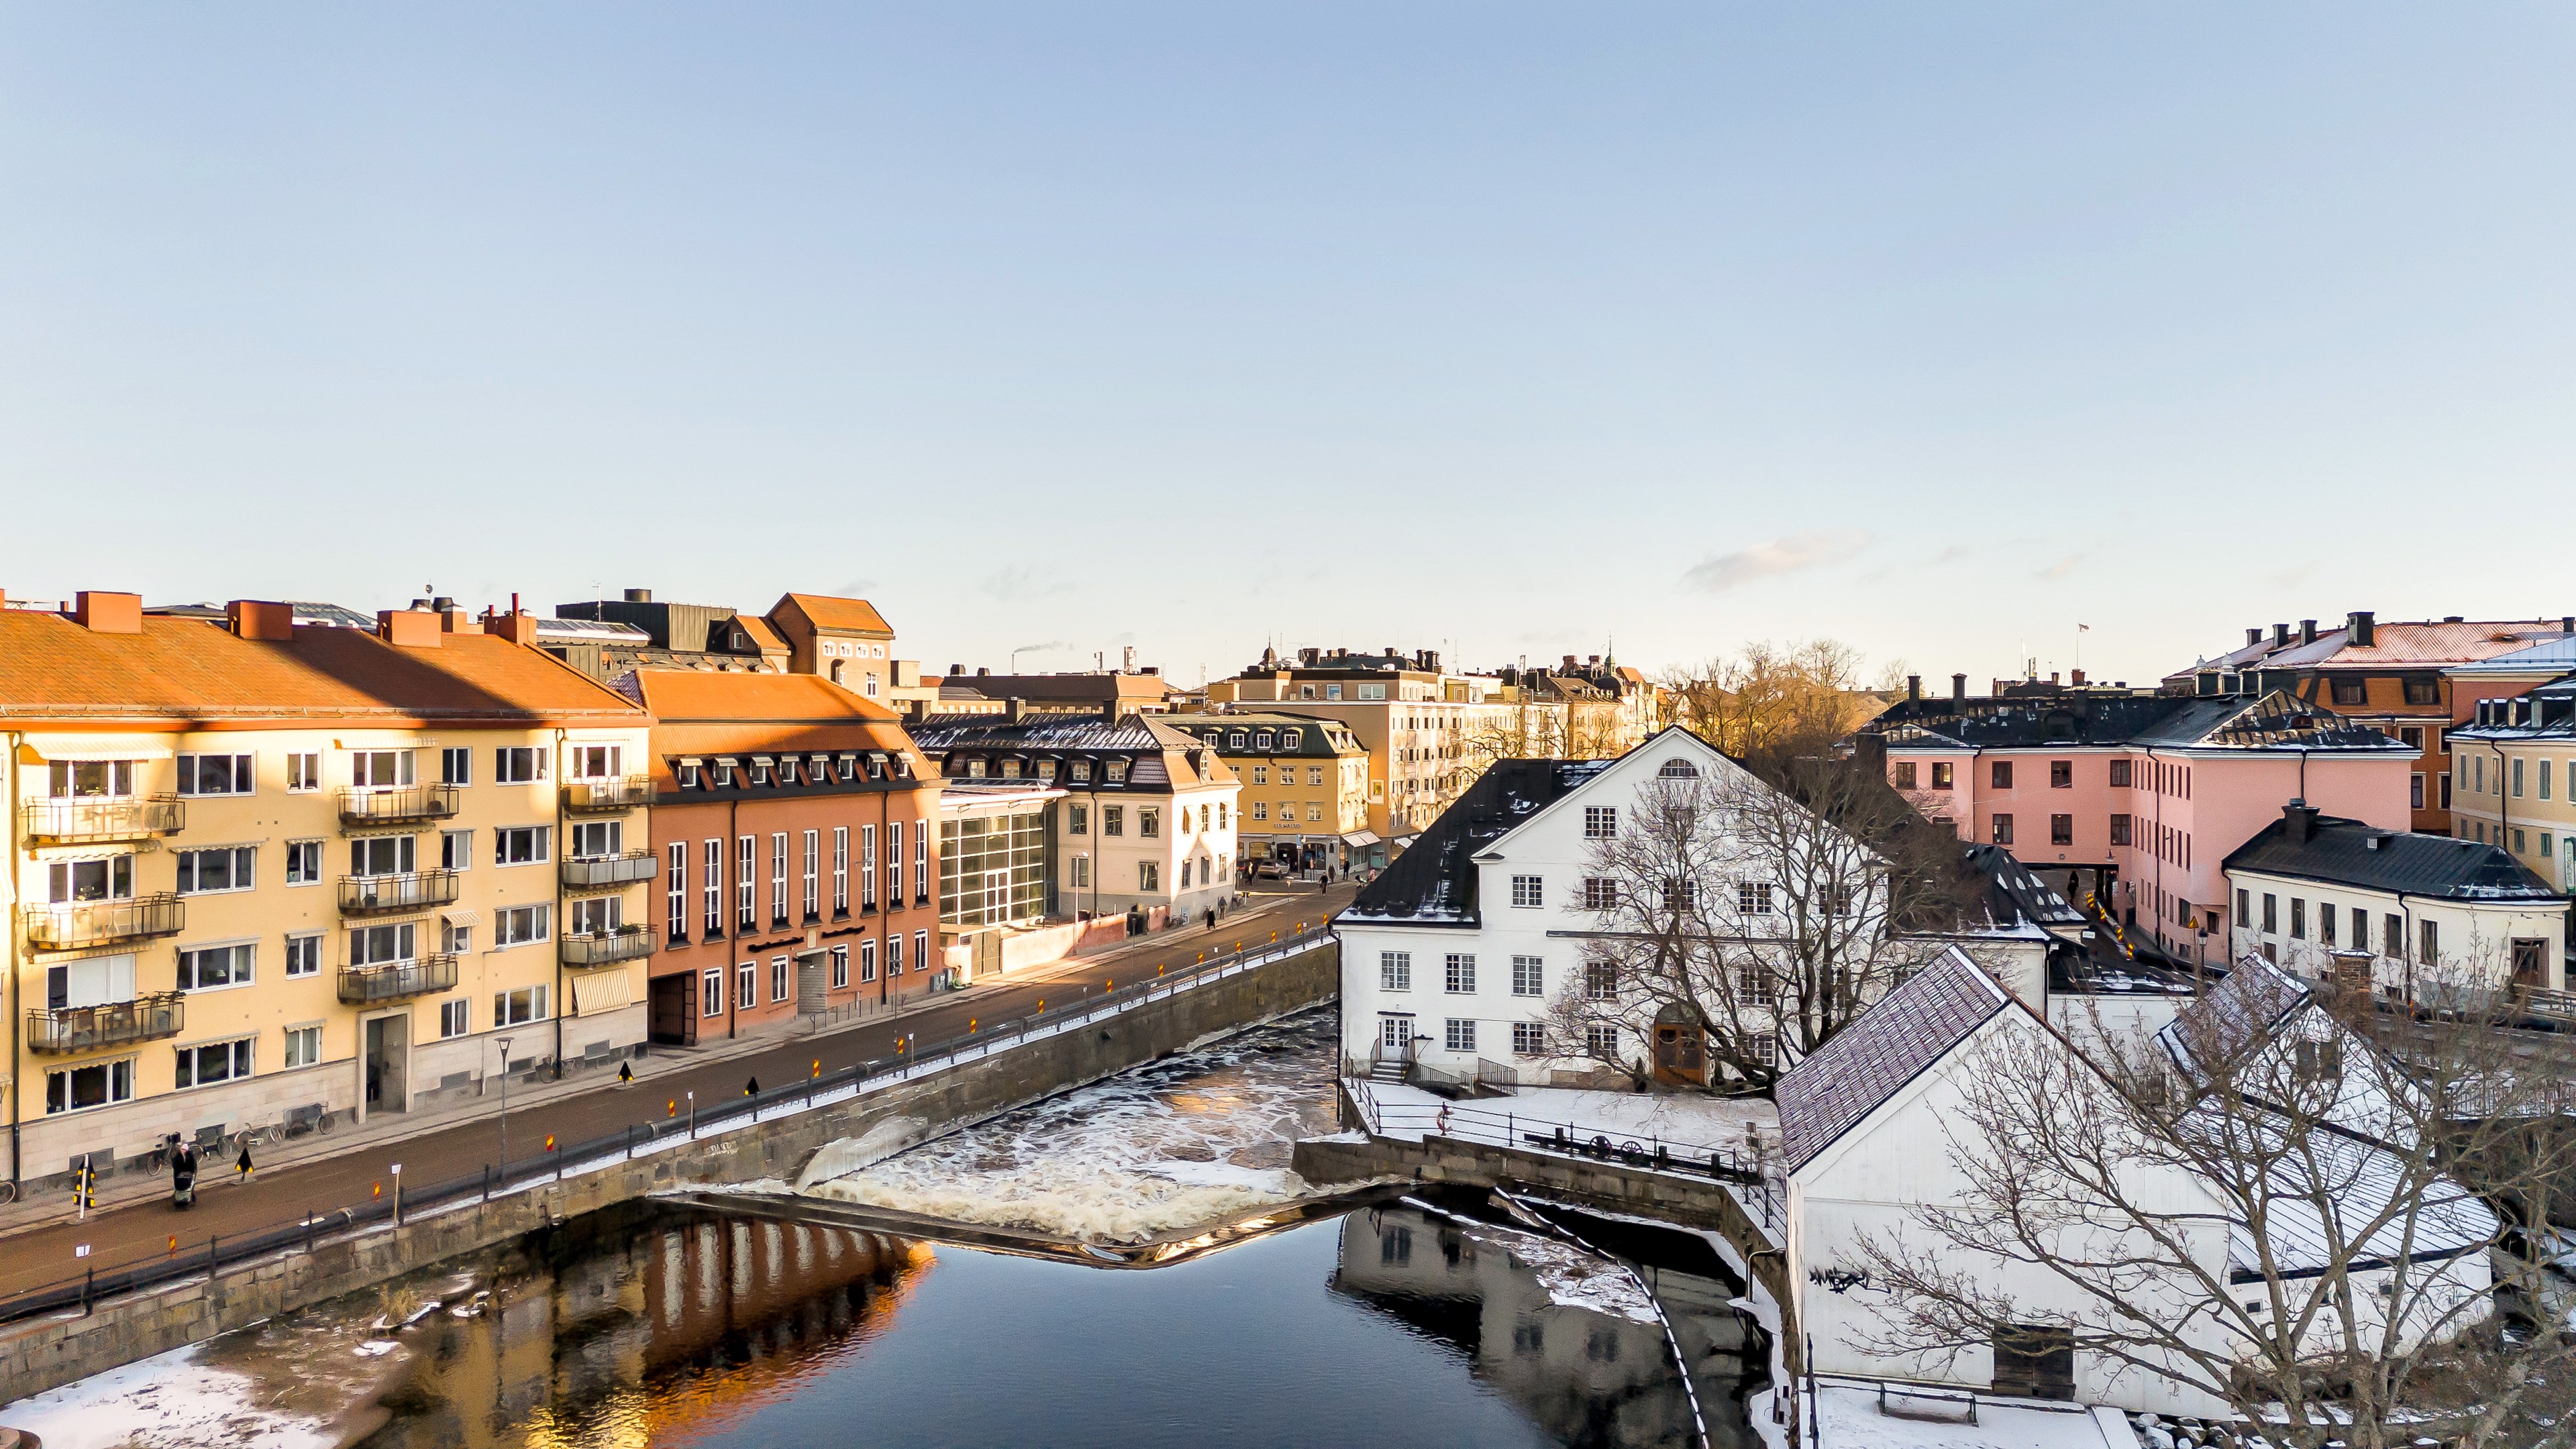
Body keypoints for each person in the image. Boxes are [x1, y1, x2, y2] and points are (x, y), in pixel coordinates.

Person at [170, 1140, 197, 1210]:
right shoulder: (177, 1157)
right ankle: (179, 1202)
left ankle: (189, 1200)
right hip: (179, 1175)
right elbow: (175, 1166)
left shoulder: (190, 1156)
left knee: (189, 1188)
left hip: (188, 1174)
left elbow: (193, 1165)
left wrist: (191, 1172)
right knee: (180, 1188)